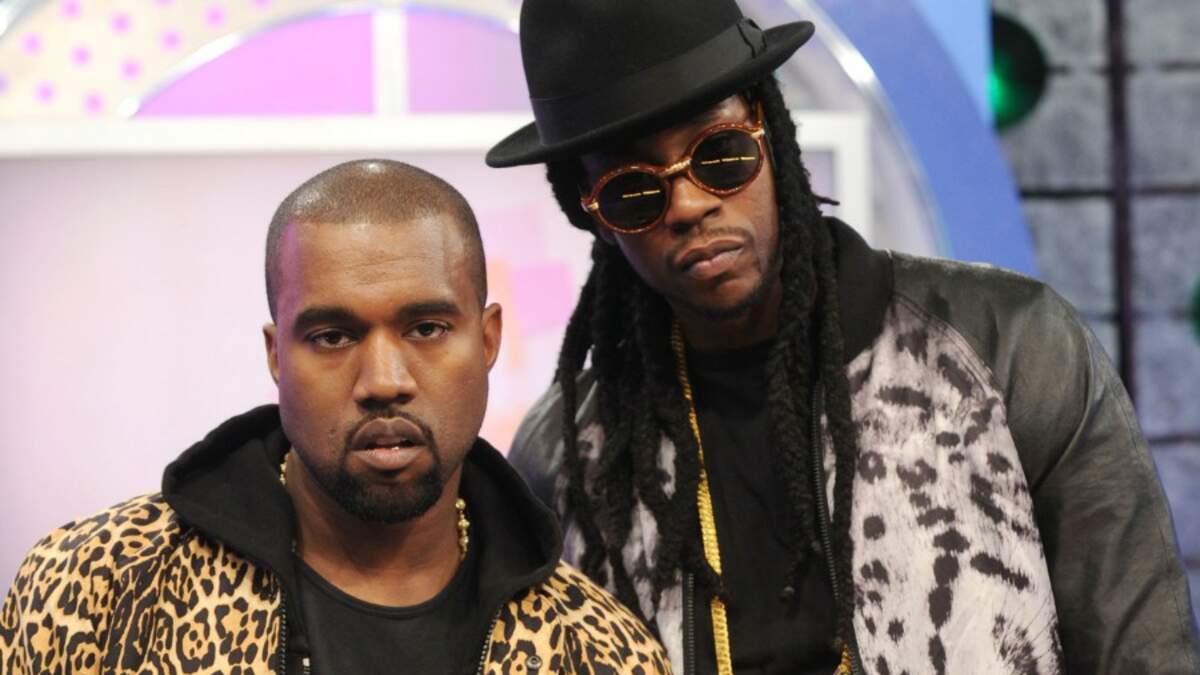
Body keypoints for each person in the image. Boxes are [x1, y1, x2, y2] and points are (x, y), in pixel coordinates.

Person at [486, 2, 1200, 674]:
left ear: (771, 131)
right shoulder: (570, 458)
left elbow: (1141, 653)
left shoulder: (1008, 345)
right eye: (634, 192)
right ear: (591, 215)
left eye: (720, 154)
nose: (690, 204)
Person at [0, 160, 671, 674]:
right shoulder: (97, 588)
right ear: (276, 356)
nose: (384, 382)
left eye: (427, 328)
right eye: (332, 336)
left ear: (488, 340)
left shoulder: (597, 651)